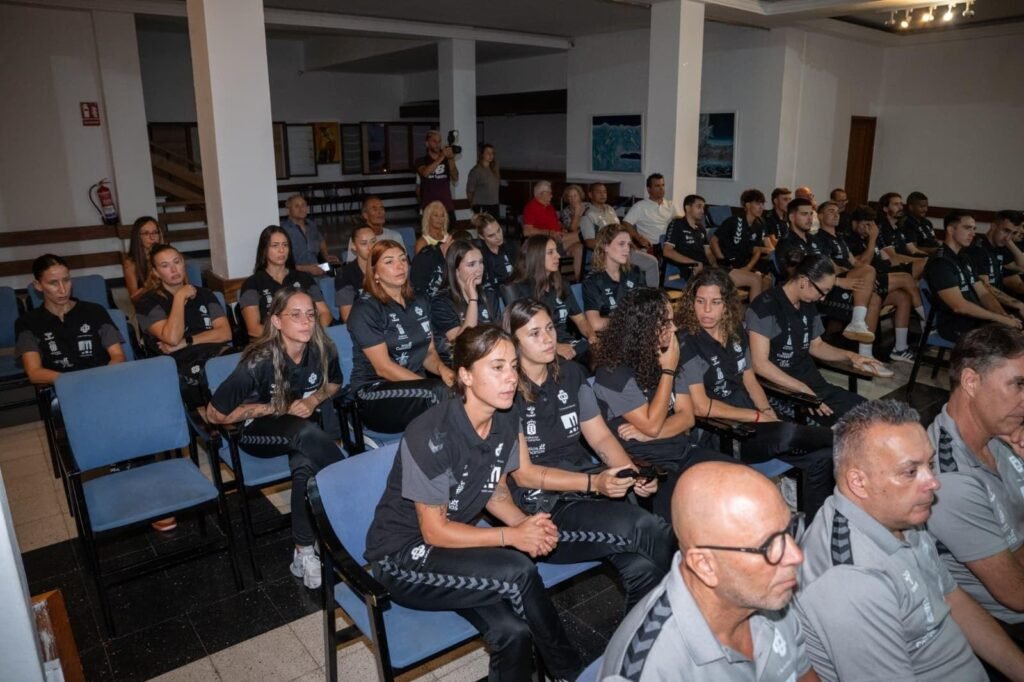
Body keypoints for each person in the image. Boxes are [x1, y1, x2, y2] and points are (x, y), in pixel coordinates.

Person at [363, 325, 583, 682]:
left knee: (512, 631)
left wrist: (525, 524)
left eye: (513, 366)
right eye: (497, 367)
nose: (511, 377)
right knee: (519, 570)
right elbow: (434, 532)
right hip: (402, 556)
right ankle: (570, 673)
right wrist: (512, 537)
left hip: (453, 546)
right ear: (465, 375)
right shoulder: (431, 434)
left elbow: (493, 490)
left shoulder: (506, 417)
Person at [796, 399, 1024, 681]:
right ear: (858, 482)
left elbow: (951, 598)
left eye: (930, 464)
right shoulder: (850, 583)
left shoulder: (900, 514)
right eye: (910, 471)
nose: (934, 482)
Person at [504, 300, 675, 610]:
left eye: (549, 328)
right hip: (543, 507)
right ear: (514, 343)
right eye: (534, 333)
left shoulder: (571, 373)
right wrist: (594, 484)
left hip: (584, 485)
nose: (547, 338)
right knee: (649, 527)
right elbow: (524, 475)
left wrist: (633, 472)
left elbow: (600, 437)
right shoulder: (507, 390)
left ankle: (643, 634)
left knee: (643, 568)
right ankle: (699, 604)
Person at [601, 462, 817, 681]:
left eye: (789, 529)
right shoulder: (651, 671)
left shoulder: (772, 591)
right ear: (704, 565)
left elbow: (802, 671)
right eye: (768, 546)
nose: (796, 556)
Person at [205, 288, 343, 590]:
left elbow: (334, 383)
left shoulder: (323, 347)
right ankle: (351, 486)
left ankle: (303, 551)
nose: (306, 322)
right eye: (295, 315)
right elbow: (213, 414)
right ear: (277, 322)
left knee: (305, 464)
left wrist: (313, 400)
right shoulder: (259, 362)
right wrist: (274, 407)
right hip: (256, 432)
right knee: (306, 434)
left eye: (311, 315)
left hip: (300, 429)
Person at [677, 268, 835, 517]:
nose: (706, 310)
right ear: (691, 302)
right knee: (789, 433)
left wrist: (766, 410)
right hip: (723, 431)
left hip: (753, 420)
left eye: (715, 302)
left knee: (823, 456)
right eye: (700, 301)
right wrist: (758, 417)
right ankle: (843, 440)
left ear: (727, 304)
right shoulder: (686, 341)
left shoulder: (734, 331)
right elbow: (700, 406)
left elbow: (749, 377)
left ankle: (814, 524)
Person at [591, 287, 726, 520]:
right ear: (644, 328)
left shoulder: (666, 354)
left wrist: (647, 434)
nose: (674, 329)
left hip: (683, 451)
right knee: (704, 513)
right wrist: (668, 371)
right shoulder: (613, 373)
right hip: (650, 466)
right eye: (666, 323)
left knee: (742, 481)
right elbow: (652, 424)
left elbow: (686, 417)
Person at [925, 325, 1024, 638]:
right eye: (1018, 385)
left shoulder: (1000, 432)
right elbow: (1017, 594)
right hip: (1008, 624)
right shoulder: (950, 480)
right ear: (971, 381)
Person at [746, 253, 880, 426]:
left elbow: (817, 346)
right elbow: (760, 364)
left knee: (874, 414)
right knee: (848, 429)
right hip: (785, 392)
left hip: (814, 386)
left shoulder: (807, 304)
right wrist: (802, 389)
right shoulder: (765, 307)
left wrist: (851, 356)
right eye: (822, 291)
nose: (823, 298)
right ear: (804, 282)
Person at [347, 240, 453, 435]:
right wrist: (428, 386)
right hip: (375, 392)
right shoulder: (365, 309)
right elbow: (383, 368)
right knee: (438, 393)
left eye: (403, 259)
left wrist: (443, 370)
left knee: (465, 382)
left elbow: (429, 353)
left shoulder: (420, 300)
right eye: (389, 261)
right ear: (375, 273)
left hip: (419, 389)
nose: (400, 266)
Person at [776, 198, 885, 354]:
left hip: (826, 288)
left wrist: (852, 280)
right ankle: (857, 328)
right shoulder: (786, 242)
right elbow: (795, 275)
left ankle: (865, 355)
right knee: (868, 273)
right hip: (808, 293)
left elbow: (831, 266)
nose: (809, 218)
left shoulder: (814, 240)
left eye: (811, 214)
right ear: (792, 217)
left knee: (873, 296)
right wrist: (837, 281)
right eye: (804, 214)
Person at [134, 244, 232, 407]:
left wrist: (186, 341)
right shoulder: (147, 302)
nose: (173, 269)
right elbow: (172, 338)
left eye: (177, 262)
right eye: (165, 266)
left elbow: (225, 333)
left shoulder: (205, 294)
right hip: (180, 365)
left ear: (183, 264)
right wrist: (180, 296)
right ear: (156, 272)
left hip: (216, 355)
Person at [16, 254, 125, 384]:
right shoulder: (27, 322)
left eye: (66, 280)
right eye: (53, 283)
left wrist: (102, 377)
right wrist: (74, 382)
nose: (63, 290)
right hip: (64, 385)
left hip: (102, 380)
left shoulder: (95, 311)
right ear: (38, 285)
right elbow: (34, 372)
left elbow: (118, 356)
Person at [842, 205, 926, 363]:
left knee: (903, 297)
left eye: (871, 225)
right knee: (906, 278)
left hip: (879, 275)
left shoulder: (865, 237)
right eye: (865, 224)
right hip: (862, 283)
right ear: (855, 222)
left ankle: (900, 349)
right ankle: (926, 322)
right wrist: (872, 240)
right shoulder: (849, 239)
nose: (869, 229)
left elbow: (885, 258)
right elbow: (862, 265)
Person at [925, 210, 1022, 342]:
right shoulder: (940, 262)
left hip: (976, 321)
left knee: (1016, 332)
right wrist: (999, 319)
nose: (973, 233)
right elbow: (959, 306)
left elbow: (983, 292)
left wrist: (1004, 316)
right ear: (951, 230)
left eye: (974, 229)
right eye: (967, 228)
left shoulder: (964, 257)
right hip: (956, 326)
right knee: (1014, 342)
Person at [501, 235, 597, 363]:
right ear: (536, 256)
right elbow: (522, 334)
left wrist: (592, 336)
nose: (558, 256)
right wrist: (555, 347)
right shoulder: (519, 289)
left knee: (606, 358)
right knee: (579, 369)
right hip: (545, 350)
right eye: (550, 252)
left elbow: (580, 319)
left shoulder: (560, 283)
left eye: (556, 251)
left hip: (571, 345)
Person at [238, 225, 332, 340]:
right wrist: (289, 339)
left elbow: (325, 314)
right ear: (264, 250)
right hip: (272, 342)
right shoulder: (252, 284)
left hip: (308, 337)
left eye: (285, 245)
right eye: (275, 245)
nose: (281, 250)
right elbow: (254, 328)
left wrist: (309, 333)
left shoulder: (304, 278)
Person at [430, 239, 501, 364]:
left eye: (481, 262)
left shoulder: (488, 295)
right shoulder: (441, 302)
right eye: (471, 264)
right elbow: (462, 344)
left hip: (489, 356)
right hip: (460, 363)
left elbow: (499, 333)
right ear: (456, 270)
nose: (479, 269)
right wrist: (473, 300)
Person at [580, 182, 660, 287]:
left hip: (623, 248)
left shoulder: (610, 209)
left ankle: (648, 294)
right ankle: (648, 294)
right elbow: (589, 242)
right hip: (607, 254)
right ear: (590, 195)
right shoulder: (588, 215)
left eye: (604, 192)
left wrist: (631, 245)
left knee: (649, 260)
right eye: (599, 192)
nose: (603, 194)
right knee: (649, 263)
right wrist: (610, 247)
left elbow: (621, 232)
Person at [582, 224, 646, 333]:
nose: (627, 249)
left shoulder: (635, 272)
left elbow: (647, 307)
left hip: (636, 332)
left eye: (628, 244)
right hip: (611, 335)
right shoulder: (592, 281)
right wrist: (628, 322)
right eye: (621, 244)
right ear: (605, 246)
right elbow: (595, 324)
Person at [709, 189, 774, 296]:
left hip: (746, 263)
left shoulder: (760, 223)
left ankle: (759, 305)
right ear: (747, 205)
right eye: (757, 203)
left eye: (762, 204)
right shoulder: (733, 221)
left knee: (768, 280)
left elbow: (758, 249)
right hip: (729, 266)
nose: (761, 207)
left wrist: (748, 267)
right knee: (756, 279)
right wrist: (721, 259)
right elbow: (714, 241)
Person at [966, 210, 1024, 316]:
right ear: (993, 226)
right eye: (1006, 230)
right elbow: (985, 288)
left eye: (1014, 233)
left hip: (1002, 306)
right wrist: (1016, 305)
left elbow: (1021, 266)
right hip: (985, 310)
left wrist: (1009, 241)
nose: (1008, 238)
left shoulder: (1000, 247)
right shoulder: (978, 249)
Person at [522, 181, 583, 281]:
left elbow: (556, 223)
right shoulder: (531, 207)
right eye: (550, 193)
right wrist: (550, 233)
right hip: (548, 242)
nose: (552, 195)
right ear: (542, 193)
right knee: (581, 235)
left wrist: (562, 228)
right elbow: (527, 231)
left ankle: (578, 281)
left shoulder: (549, 207)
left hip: (560, 239)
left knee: (579, 248)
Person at [281, 194, 338, 277]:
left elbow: (321, 240)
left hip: (316, 268)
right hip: (296, 273)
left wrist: (326, 256)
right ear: (288, 210)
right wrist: (307, 269)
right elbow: (282, 263)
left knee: (339, 271)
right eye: (297, 206)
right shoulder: (284, 230)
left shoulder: (311, 225)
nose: (301, 209)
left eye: (303, 205)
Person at [415, 129, 458, 225]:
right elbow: (425, 173)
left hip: (447, 207)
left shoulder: (446, 160)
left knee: (451, 233)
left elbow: (455, 177)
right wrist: (442, 157)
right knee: (430, 234)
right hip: (429, 207)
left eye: (439, 141)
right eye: (434, 141)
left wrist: (451, 159)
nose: (437, 144)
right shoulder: (421, 160)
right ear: (427, 143)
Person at [411, 201, 452, 299]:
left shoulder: (449, 238)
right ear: (428, 217)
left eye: (442, 216)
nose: (439, 219)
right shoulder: (422, 242)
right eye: (435, 215)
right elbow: (421, 270)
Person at [622, 173, 676, 247]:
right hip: (652, 246)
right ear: (648, 189)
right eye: (657, 186)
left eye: (663, 185)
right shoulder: (640, 206)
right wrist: (639, 238)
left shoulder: (671, 205)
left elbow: (681, 222)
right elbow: (626, 224)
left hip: (670, 245)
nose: (661, 188)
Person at [343, 196, 402, 263]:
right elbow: (351, 265)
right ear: (365, 215)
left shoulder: (395, 236)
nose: (380, 212)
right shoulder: (358, 238)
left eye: (381, 208)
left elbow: (405, 262)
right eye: (374, 209)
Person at [335, 225, 375, 323]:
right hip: (363, 323)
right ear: (353, 246)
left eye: (373, 241)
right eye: (364, 243)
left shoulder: (385, 267)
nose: (370, 247)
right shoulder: (344, 274)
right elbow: (347, 316)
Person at [122, 216, 166, 301]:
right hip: (150, 304)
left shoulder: (168, 255)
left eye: (155, 232)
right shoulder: (130, 263)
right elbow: (134, 299)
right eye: (146, 233)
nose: (152, 237)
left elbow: (184, 284)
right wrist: (150, 283)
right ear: (137, 237)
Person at [474, 212, 517, 292]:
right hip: (491, 293)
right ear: (481, 236)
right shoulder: (478, 254)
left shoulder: (510, 245)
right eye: (491, 235)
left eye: (499, 230)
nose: (498, 237)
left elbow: (521, 272)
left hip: (514, 290)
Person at [558, 184, 588, 280]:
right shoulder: (565, 211)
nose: (572, 199)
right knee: (578, 249)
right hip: (575, 240)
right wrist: (577, 213)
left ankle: (559, 246)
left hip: (587, 238)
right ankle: (579, 280)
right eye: (569, 196)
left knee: (580, 238)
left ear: (580, 196)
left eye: (575, 195)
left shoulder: (588, 207)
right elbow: (573, 229)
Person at [466, 143, 500, 216]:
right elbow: (470, 190)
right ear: (482, 154)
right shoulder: (476, 170)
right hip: (481, 205)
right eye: (488, 153)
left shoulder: (494, 170)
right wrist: (473, 205)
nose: (490, 155)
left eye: (492, 153)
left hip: (494, 205)